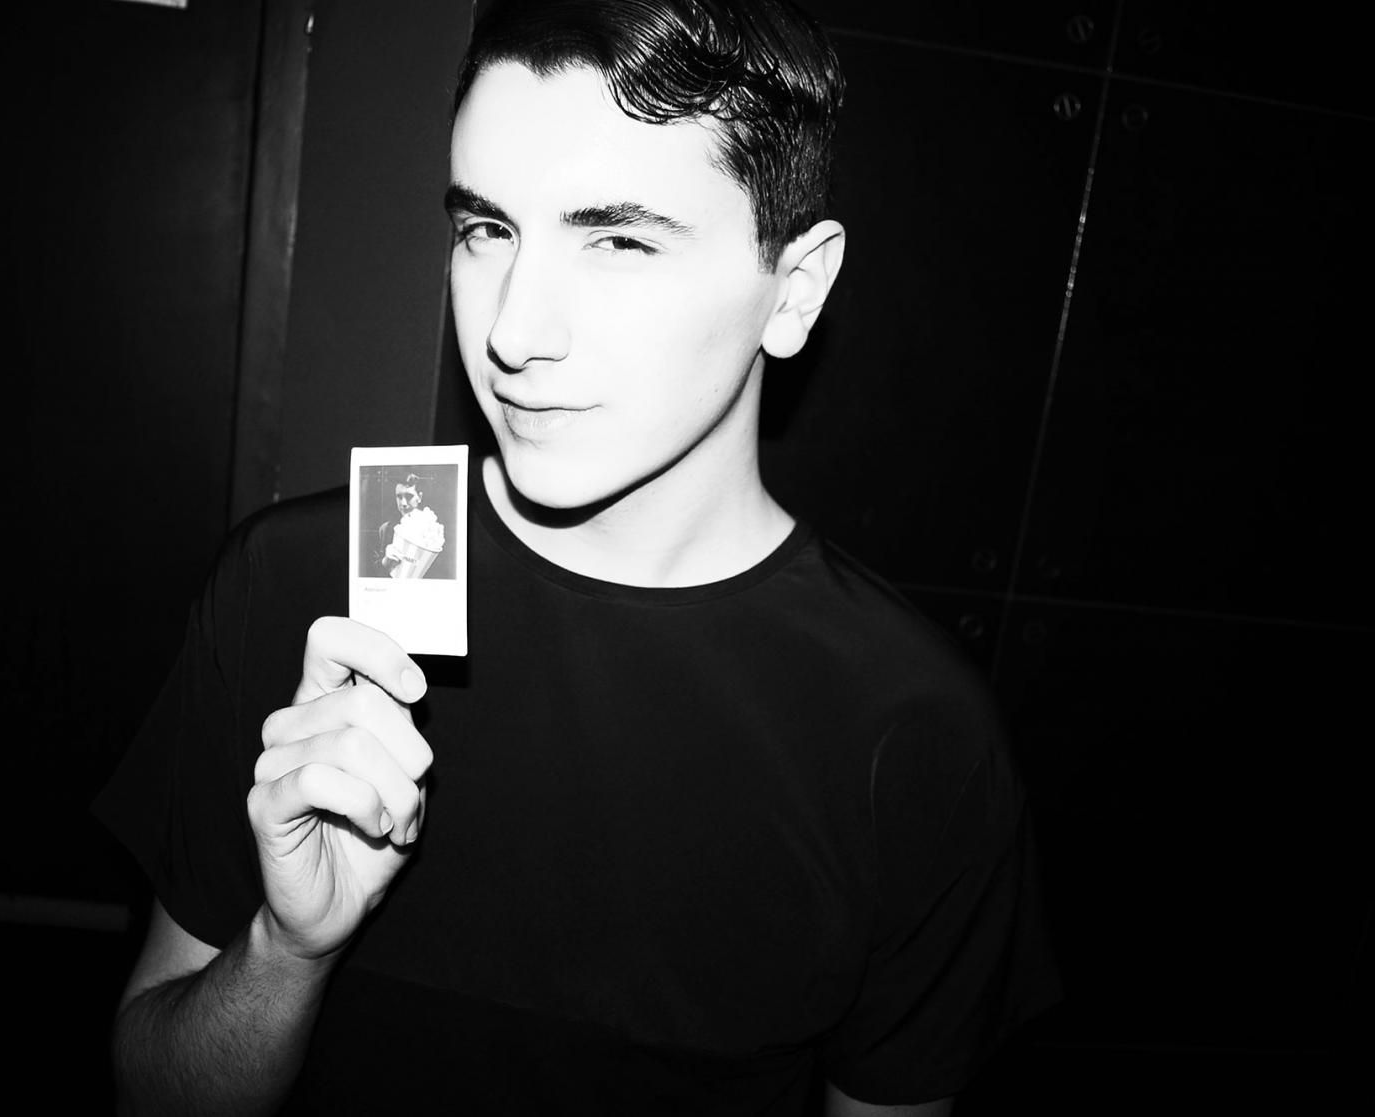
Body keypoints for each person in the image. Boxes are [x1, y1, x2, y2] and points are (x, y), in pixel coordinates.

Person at [94, 1, 1059, 1113]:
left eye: (619, 241)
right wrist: (284, 946)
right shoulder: (301, 588)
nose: (513, 331)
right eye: (485, 230)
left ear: (794, 290)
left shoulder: (912, 732)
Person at [374, 474, 427, 575]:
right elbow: (371, 571)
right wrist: (385, 561)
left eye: (409, 496)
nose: (403, 503)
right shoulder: (385, 529)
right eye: (399, 497)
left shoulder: (434, 530)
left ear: (419, 497)